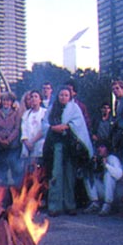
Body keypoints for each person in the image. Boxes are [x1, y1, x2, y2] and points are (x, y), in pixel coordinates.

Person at [42, 86, 93, 216]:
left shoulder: (74, 108)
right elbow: (44, 124)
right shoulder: (52, 108)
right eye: (61, 95)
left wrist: (67, 126)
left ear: (70, 96)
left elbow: (79, 125)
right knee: (56, 174)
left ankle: (70, 205)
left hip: (71, 146)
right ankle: (54, 206)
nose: (63, 97)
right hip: (56, 145)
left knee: (70, 176)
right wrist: (53, 128)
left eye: (66, 95)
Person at [84, 140, 123, 216]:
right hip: (103, 190)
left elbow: (119, 175)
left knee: (108, 174)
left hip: (116, 192)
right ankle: (95, 203)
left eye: (102, 147)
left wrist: (106, 165)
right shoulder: (98, 159)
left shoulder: (113, 158)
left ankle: (108, 204)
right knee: (88, 174)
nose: (99, 149)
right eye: (98, 147)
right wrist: (91, 164)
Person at [0, 91, 22, 186]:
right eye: (4, 100)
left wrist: (9, 140)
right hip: (0, 146)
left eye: (8, 101)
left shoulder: (16, 113)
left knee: (14, 167)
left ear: (12, 102)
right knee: (2, 169)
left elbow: (17, 128)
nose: (6, 103)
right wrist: (0, 140)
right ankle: (2, 192)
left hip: (12, 145)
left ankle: (16, 190)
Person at [20, 90, 46, 173]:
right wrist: (26, 142)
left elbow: (44, 129)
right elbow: (23, 129)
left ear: (40, 100)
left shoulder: (45, 112)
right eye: (31, 97)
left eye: (36, 96)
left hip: (39, 145)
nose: (33, 99)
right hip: (27, 147)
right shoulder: (26, 114)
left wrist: (33, 141)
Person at [110, 80, 123, 158]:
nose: (115, 91)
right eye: (113, 89)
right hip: (118, 131)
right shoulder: (117, 102)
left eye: (117, 88)